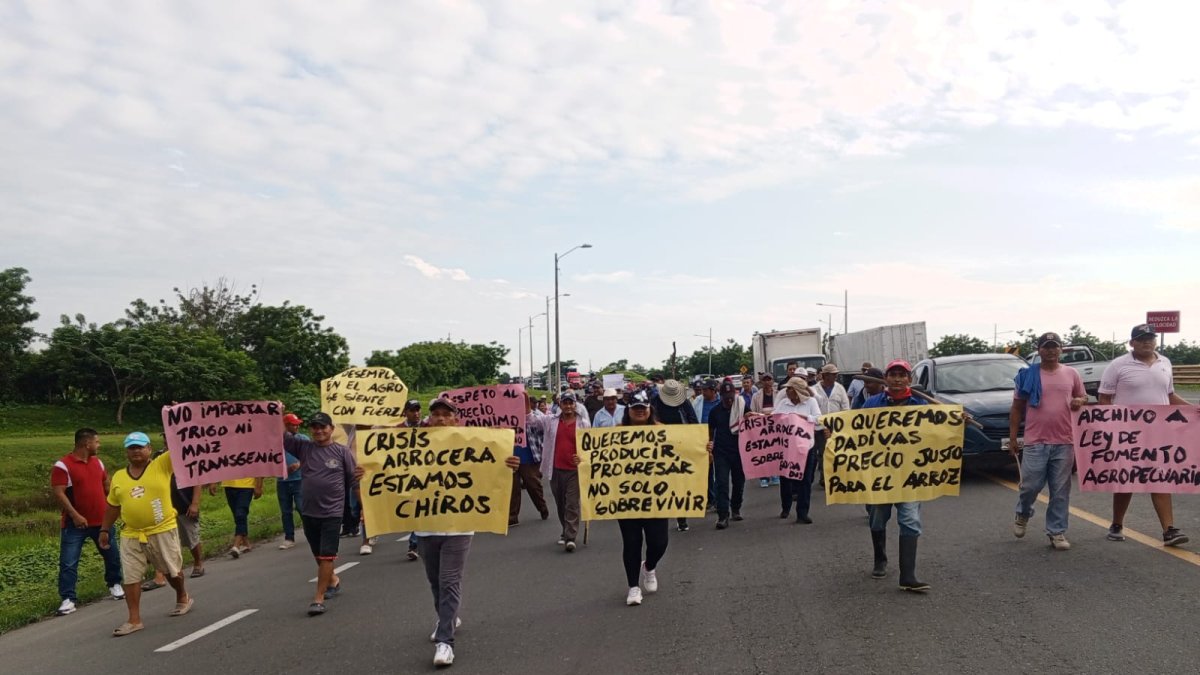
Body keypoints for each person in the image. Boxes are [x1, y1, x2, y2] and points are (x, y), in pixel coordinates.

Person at [373, 396, 520, 666]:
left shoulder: (470, 443)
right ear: (428, 419)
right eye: (436, 414)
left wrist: (507, 464)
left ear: (456, 419)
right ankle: (447, 618)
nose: (440, 418)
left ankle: (445, 642)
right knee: (435, 581)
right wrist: (366, 473)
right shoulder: (413, 445)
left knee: (449, 580)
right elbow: (388, 467)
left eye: (446, 414)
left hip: (459, 526)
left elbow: (487, 470)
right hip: (426, 526)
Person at [1099, 323, 1192, 547]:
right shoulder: (1118, 365)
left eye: (1150, 338)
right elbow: (1104, 399)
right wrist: (1112, 429)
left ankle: (1169, 530)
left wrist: (1193, 410)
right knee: (1127, 480)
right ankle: (1117, 524)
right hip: (1128, 435)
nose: (1147, 342)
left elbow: (1170, 396)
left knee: (1160, 478)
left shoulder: (1165, 363)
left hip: (1160, 433)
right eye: (1141, 339)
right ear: (1132, 343)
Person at [100, 432, 193, 637]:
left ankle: (182, 595)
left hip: (162, 529)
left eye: (140, 447)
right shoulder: (119, 477)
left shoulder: (161, 464)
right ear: (126, 451)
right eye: (131, 447)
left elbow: (181, 445)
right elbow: (113, 505)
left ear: (149, 449)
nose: (136, 451)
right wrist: (104, 529)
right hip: (131, 533)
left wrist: (176, 425)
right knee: (131, 575)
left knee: (171, 571)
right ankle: (134, 619)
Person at [1010, 332, 1087, 551]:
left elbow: (1083, 396)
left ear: (1061, 349)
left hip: (1064, 439)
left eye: (1055, 346)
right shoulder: (1028, 375)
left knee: (1060, 490)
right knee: (1030, 485)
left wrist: (1079, 400)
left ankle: (1057, 531)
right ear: (1039, 350)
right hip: (1036, 440)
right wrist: (1013, 437)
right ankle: (1023, 512)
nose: (1051, 350)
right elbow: (1017, 408)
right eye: (1046, 346)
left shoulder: (1071, 373)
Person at [861, 360, 930, 591]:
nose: (898, 379)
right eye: (893, 374)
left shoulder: (921, 404)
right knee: (877, 517)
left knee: (910, 520)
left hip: (910, 474)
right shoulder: (871, 404)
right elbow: (854, 431)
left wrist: (958, 421)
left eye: (902, 375)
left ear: (909, 379)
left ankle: (907, 575)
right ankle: (880, 558)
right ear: (886, 379)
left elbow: (937, 432)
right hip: (880, 473)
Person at [283, 412, 356, 616]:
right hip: (309, 511)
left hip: (332, 512)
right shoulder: (303, 448)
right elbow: (279, 435)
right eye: (315, 427)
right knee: (318, 554)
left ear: (332, 429)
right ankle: (332, 579)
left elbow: (354, 479)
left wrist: (363, 507)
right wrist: (278, 413)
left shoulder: (342, 452)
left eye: (323, 426)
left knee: (326, 554)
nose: (319, 430)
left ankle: (318, 598)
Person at [52, 428, 124, 616]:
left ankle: (115, 583)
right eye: (97, 442)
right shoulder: (63, 465)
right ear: (87, 443)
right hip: (75, 524)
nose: (99, 445)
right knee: (68, 561)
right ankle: (68, 598)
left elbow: (106, 486)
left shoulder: (98, 462)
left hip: (102, 520)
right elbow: (59, 493)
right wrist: (75, 515)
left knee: (111, 554)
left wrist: (116, 506)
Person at [616, 398, 669, 606]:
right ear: (628, 410)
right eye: (635, 408)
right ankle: (633, 587)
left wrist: (704, 450)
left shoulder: (662, 430)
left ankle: (649, 566)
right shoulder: (616, 433)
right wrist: (582, 461)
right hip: (626, 497)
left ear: (649, 409)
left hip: (656, 497)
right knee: (631, 542)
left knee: (659, 542)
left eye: (643, 408)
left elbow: (684, 456)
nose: (639, 411)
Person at [536, 391, 591, 552]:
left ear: (575, 404)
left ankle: (570, 536)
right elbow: (532, 419)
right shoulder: (551, 421)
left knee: (571, 503)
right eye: (565, 403)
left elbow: (589, 447)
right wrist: (522, 398)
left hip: (575, 470)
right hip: (556, 469)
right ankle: (565, 529)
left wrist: (583, 459)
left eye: (570, 403)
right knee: (560, 503)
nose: (568, 406)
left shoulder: (584, 424)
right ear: (560, 405)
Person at [651, 379, 700, 532]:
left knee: (679, 481)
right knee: (661, 482)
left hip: (681, 446)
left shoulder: (683, 402)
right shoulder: (656, 401)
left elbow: (693, 421)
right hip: (660, 446)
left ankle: (681, 517)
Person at [771, 378, 822, 523]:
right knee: (786, 478)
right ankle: (786, 507)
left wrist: (803, 417)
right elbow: (774, 419)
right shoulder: (783, 403)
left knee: (805, 480)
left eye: (790, 389)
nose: (787, 391)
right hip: (787, 447)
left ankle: (802, 512)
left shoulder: (811, 402)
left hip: (806, 447)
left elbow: (819, 420)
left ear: (798, 391)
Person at [709, 382, 746, 529]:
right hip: (721, 452)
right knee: (722, 483)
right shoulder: (715, 411)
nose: (729, 400)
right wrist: (709, 447)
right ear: (721, 396)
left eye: (731, 397)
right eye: (726, 397)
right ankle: (723, 516)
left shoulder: (742, 407)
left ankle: (735, 508)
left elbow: (753, 422)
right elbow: (710, 431)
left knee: (739, 482)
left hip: (739, 451)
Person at [510, 392, 550, 526]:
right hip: (511, 458)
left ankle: (542, 507)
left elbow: (540, 426)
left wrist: (526, 411)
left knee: (533, 486)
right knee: (512, 489)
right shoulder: (505, 417)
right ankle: (512, 516)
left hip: (529, 458)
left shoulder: (536, 416)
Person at [210, 475, 263, 558]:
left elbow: (258, 468)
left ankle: (236, 545)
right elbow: (218, 467)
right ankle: (246, 543)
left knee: (240, 514)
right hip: (229, 484)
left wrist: (258, 486)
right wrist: (213, 482)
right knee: (237, 515)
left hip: (246, 485)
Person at [278, 413, 306, 550]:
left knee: (302, 507)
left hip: (299, 479)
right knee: (285, 511)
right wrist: (282, 469)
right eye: (294, 424)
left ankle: (312, 530)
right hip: (282, 481)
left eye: (298, 424)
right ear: (286, 426)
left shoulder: (303, 439)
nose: (297, 427)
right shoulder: (277, 442)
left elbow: (311, 455)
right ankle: (289, 537)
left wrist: (299, 464)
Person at [402, 400, 424, 560]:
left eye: (418, 410)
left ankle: (414, 543)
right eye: (412, 410)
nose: (416, 413)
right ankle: (416, 543)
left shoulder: (429, 427)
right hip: (407, 475)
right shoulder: (398, 430)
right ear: (405, 413)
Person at [750, 375, 780, 488]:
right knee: (763, 452)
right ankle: (764, 477)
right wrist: (762, 415)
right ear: (761, 382)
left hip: (775, 427)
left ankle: (775, 474)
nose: (767, 382)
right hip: (761, 427)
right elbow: (752, 411)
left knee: (775, 451)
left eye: (769, 380)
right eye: (765, 380)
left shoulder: (778, 394)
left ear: (773, 381)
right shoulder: (756, 396)